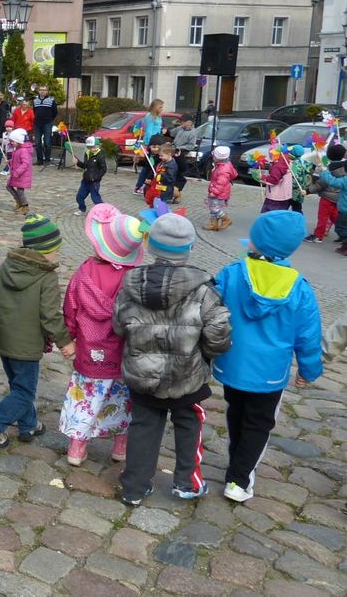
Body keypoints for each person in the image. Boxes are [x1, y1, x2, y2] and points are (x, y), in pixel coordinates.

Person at [114, 214, 232, 505]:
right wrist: (207, 353)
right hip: (187, 376)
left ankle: (134, 487)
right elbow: (219, 333)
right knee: (189, 425)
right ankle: (186, 483)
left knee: (143, 426)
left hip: (143, 375)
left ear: (151, 246)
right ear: (190, 248)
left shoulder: (130, 285)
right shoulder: (204, 290)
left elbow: (119, 325)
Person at [212, 211, 322, 503]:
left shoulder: (232, 273)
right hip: (270, 374)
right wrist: (309, 370)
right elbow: (308, 335)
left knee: (236, 413)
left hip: (232, 364)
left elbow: (209, 309)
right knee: (259, 423)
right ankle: (239, 478)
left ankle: (237, 463)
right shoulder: (299, 288)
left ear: (255, 242)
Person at [60, 205, 146, 466]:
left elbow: (71, 306)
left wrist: (70, 338)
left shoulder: (85, 271)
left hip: (89, 348)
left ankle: (77, 447)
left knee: (86, 397)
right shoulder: (135, 278)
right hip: (122, 352)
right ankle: (121, 445)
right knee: (121, 398)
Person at [0, 215, 69, 448]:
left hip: (5, 339)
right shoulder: (46, 276)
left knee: (19, 386)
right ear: (45, 250)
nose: (57, 255)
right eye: (55, 250)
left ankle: (29, 424)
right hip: (26, 345)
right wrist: (65, 341)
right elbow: (50, 315)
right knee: (25, 392)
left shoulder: (8, 265)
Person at [305, 143, 345, 243]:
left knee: (322, 217)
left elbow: (320, 184)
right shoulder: (344, 168)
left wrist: (308, 190)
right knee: (336, 217)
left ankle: (318, 236)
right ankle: (344, 235)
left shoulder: (328, 169)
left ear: (329, 155)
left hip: (327, 197)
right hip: (339, 197)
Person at [318, 145, 347, 254]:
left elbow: (332, 181)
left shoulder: (345, 180)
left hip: (344, 209)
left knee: (341, 228)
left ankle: (345, 246)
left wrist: (324, 171)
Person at [202, 145, 238, 232]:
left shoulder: (223, 170)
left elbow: (220, 184)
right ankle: (213, 224)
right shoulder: (224, 165)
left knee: (214, 208)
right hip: (218, 191)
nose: (213, 157)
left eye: (214, 156)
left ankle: (225, 218)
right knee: (212, 207)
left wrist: (214, 192)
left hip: (219, 193)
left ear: (218, 158)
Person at [73, 136, 106, 215]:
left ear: (98, 146)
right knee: (79, 197)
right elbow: (85, 166)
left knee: (95, 199)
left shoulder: (100, 155)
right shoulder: (87, 154)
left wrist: (96, 177)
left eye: (94, 147)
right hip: (85, 180)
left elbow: (103, 169)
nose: (92, 149)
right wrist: (77, 162)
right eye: (90, 147)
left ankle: (104, 211)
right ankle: (82, 209)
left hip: (94, 182)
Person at [5, 128, 33, 215]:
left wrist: (18, 172)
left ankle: (25, 205)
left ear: (19, 141)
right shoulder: (17, 149)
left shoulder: (23, 150)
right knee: (9, 186)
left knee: (20, 191)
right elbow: (16, 160)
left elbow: (25, 163)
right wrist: (9, 161)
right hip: (15, 174)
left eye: (13, 141)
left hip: (21, 175)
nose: (11, 143)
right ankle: (19, 201)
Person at [256, 147, 293, 213]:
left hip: (275, 197)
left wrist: (262, 177)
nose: (269, 155)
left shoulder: (277, 166)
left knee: (269, 216)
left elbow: (273, 180)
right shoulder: (286, 161)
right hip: (285, 195)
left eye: (270, 153)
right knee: (280, 217)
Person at [31, 84, 58, 165]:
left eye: (44, 90)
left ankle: (47, 159)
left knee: (47, 142)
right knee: (37, 142)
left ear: (47, 91)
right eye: (41, 90)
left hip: (47, 123)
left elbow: (55, 112)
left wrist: (50, 120)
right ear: (38, 91)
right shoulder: (35, 101)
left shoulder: (51, 100)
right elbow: (34, 111)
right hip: (37, 124)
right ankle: (39, 160)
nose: (42, 91)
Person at [287, 144, 312, 215]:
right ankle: (299, 220)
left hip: (294, 192)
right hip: (302, 190)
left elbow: (295, 179)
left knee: (295, 209)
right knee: (297, 208)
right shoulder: (305, 162)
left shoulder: (294, 165)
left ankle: (298, 220)